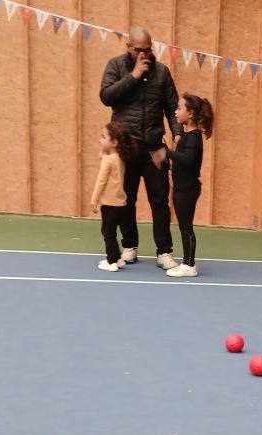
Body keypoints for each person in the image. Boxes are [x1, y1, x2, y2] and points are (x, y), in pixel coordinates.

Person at [99, 26, 181, 270]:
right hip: (126, 148)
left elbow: (172, 106)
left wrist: (177, 133)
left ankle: (164, 252)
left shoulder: (162, 72)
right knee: (126, 200)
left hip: (154, 148)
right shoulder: (116, 66)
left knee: (160, 201)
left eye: (148, 49)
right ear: (128, 47)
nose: (144, 54)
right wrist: (133, 76)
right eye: (138, 50)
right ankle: (130, 246)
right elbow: (106, 96)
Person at [164, 93, 213, 278]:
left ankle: (189, 265)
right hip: (182, 187)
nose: (176, 112)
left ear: (190, 113)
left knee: (186, 227)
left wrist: (167, 152)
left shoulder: (193, 137)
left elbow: (187, 159)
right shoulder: (186, 136)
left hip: (188, 189)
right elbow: (182, 162)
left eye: (179, 108)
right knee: (184, 226)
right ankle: (187, 262)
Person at [90, 123, 137, 272]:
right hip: (121, 204)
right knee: (113, 232)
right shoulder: (120, 158)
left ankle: (112, 262)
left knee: (108, 233)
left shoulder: (108, 160)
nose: (100, 140)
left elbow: (101, 181)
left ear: (114, 142)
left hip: (110, 204)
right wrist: (104, 157)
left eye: (103, 137)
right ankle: (117, 258)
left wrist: (94, 200)